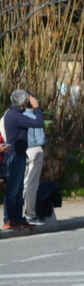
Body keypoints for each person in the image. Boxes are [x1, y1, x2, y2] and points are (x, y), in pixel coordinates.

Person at [3, 90, 43, 230]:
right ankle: (9, 219)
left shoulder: (15, 114)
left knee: (19, 189)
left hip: (19, 155)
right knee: (13, 190)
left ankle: (18, 218)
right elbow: (39, 122)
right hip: (14, 156)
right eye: (27, 100)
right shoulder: (15, 116)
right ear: (23, 102)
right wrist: (36, 106)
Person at [22, 99, 47, 225]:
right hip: (34, 150)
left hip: (21, 151)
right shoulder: (35, 117)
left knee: (22, 183)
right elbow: (40, 139)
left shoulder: (19, 116)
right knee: (32, 185)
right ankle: (30, 214)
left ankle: (17, 213)